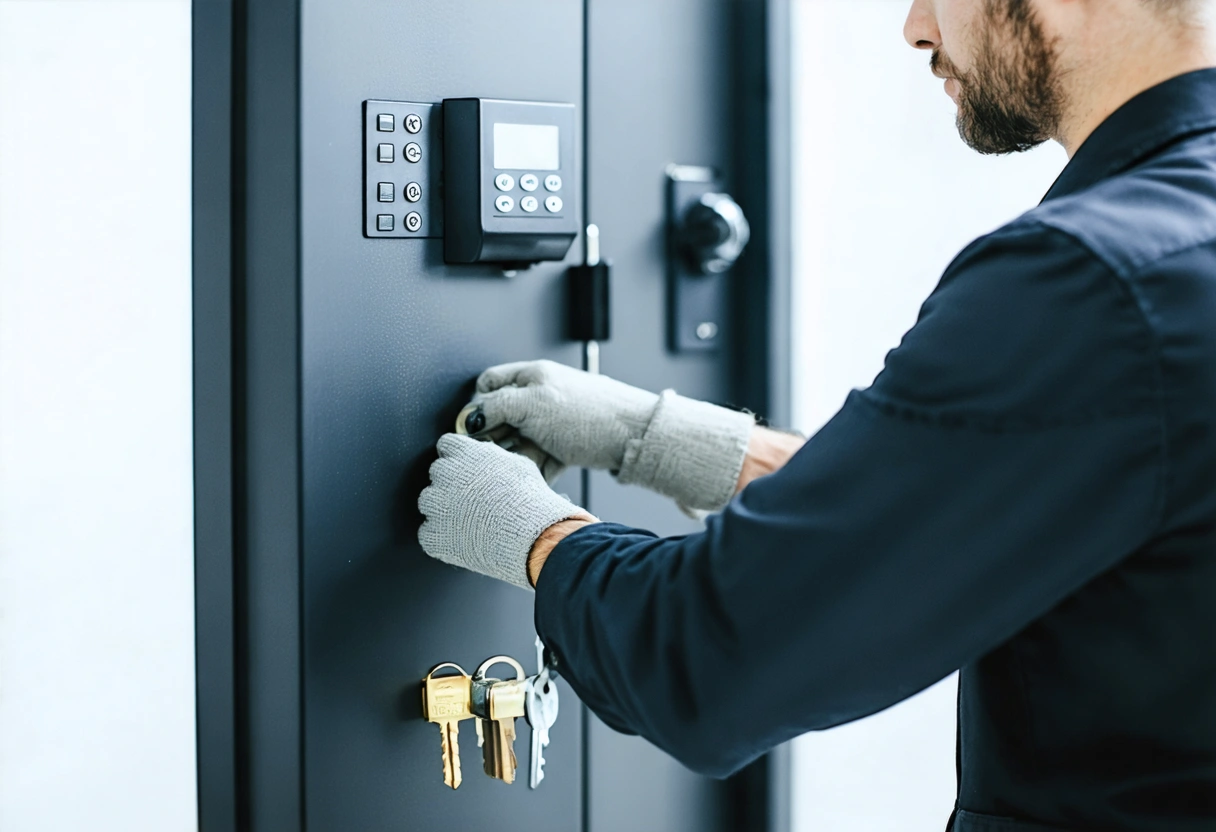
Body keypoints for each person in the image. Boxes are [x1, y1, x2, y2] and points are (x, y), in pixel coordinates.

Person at [418, 1, 1216, 829]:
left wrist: (535, 534)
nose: (916, 27)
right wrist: (665, 441)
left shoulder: (1089, 283)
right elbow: (1005, 494)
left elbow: (712, 662)